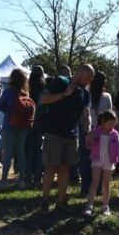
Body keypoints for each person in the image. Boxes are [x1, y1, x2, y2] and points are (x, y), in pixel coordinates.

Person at [39, 65, 93, 212]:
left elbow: (85, 114)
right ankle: (44, 201)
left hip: (71, 136)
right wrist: (63, 94)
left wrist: (88, 131)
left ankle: (61, 201)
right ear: (80, 72)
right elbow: (43, 99)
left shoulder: (85, 93)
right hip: (54, 133)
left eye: (90, 80)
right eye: (87, 78)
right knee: (50, 166)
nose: (88, 82)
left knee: (65, 168)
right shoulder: (61, 82)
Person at [0, 68, 35, 188]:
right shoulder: (26, 93)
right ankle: (21, 180)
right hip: (23, 126)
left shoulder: (8, 92)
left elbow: (0, 107)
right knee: (21, 151)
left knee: (7, 153)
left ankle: (3, 181)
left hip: (9, 125)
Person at [84, 110, 119, 217]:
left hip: (109, 161)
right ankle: (89, 206)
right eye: (109, 124)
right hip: (96, 160)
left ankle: (105, 206)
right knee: (94, 182)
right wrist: (89, 139)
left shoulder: (115, 134)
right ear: (102, 121)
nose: (111, 127)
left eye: (113, 124)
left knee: (106, 184)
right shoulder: (96, 131)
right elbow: (88, 144)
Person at [25, 65, 46, 187]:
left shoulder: (28, 89)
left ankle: (28, 176)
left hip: (28, 121)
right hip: (41, 122)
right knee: (39, 150)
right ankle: (38, 176)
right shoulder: (44, 89)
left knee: (29, 149)